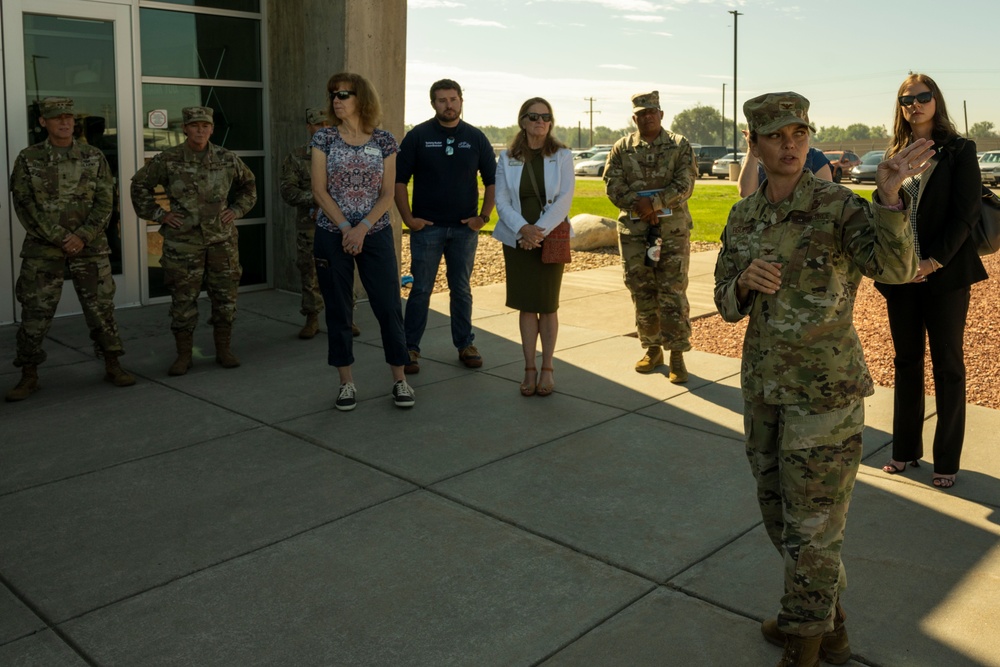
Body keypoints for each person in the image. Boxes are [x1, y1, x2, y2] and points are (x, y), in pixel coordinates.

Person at [715, 91, 928, 667]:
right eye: (778, 135)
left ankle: (803, 643)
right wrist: (741, 285)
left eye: (800, 133)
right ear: (754, 144)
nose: (791, 144)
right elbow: (722, 300)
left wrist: (888, 198)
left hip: (825, 394)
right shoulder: (743, 215)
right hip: (763, 388)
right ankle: (829, 627)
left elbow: (896, 268)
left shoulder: (840, 206)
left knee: (814, 527)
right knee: (780, 516)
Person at [876, 74, 988, 489]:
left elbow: (967, 213)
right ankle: (904, 451)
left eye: (924, 97)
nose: (915, 105)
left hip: (946, 274)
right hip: (901, 276)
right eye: (908, 99)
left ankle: (947, 460)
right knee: (906, 363)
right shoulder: (896, 151)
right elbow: (887, 206)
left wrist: (934, 260)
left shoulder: (961, 151)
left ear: (936, 101)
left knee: (948, 365)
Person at [6, 97, 135, 401]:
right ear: (43, 122)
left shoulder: (93, 156)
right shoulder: (28, 158)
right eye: (56, 118)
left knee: (101, 309)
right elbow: (24, 204)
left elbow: (107, 201)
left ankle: (113, 363)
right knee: (35, 311)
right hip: (43, 249)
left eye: (69, 117)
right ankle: (28, 374)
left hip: (89, 248)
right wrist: (58, 237)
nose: (65, 123)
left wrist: (84, 235)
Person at [311, 72, 413, 411]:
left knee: (387, 305)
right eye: (334, 94)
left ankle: (399, 379)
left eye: (345, 94)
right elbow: (318, 189)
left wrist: (362, 228)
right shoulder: (323, 139)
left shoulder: (384, 140)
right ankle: (346, 383)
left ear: (362, 99)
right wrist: (345, 228)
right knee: (339, 309)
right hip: (331, 232)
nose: (337, 100)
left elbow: (388, 193)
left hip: (375, 232)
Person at [131, 106, 257, 376]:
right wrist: (159, 215)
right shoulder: (169, 159)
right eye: (195, 125)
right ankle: (183, 356)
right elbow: (139, 185)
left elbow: (249, 187)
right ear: (185, 129)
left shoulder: (226, 158)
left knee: (225, 298)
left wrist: (235, 210)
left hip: (221, 242)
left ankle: (223, 350)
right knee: (182, 300)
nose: (201, 130)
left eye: (205, 126)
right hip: (182, 244)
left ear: (212, 129)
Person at [394, 78, 496, 374]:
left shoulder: (476, 138)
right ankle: (410, 348)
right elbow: (399, 180)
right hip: (427, 229)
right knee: (421, 289)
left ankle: (465, 344)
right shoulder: (418, 136)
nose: (448, 104)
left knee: (461, 289)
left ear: (461, 101)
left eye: (453, 99)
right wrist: (408, 218)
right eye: (442, 100)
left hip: (465, 229)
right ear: (433, 104)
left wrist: (483, 217)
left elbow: (492, 180)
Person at [604, 90, 697, 382]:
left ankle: (677, 355)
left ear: (661, 114)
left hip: (672, 231)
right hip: (634, 233)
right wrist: (639, 206)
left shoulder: (679, 145)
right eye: (641, 113)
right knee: (641, 290)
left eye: (652, 112)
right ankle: (652, 348)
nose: (647, 117)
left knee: (672, 291)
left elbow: (686, 183)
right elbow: (612, 185)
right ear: (634, 117)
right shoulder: (622, 148)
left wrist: (654, 204)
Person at [493, 98, 574, 396]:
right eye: (533, 116)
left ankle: (548, 367)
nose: (540, 121)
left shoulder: (562, 155)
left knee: (548, 305)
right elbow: (501, 201)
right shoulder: (507, 157)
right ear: (523, 121)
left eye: (546, 116)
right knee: (527, 306)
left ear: (551, 122)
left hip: (549, 238)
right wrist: (522, 230)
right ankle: (529, 367)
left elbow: (565, 199)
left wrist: (538, 232)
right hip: (517, 239)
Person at [279, 107, 360, 340]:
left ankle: (347, 318)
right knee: (310, 272)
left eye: (328, 124)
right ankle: (312, 318)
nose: (324, 128)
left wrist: (331, 206)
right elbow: (288, 191)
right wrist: (316, 201)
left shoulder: (348, 154)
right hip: (310, 227)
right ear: (309, 127)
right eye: (318, 124)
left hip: (342, 226)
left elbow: (357, 188)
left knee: (343, 271)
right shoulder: (296, 157)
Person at [738, 129, 832, 197]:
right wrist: (753, 147)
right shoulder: (755, 160)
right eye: (775, 135)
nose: (789, 144)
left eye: (799, 133)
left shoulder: (815, 157)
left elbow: (827, 197)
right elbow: (747, 194)